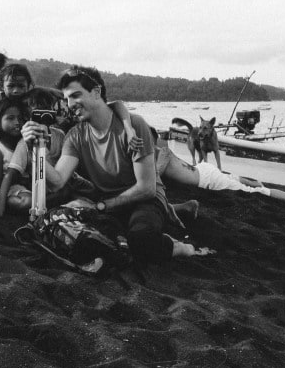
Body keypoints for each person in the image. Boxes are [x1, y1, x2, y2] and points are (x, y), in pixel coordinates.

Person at [21, 66, 212, 262]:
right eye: (66, 98)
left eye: (75, 95)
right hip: (107, 204)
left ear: (96, 92)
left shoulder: (133, 126)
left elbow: (146, 189)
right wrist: (34, 149)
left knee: (141, 241)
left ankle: (184, 247)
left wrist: (103, 206)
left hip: (144, 201)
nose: (69, 104)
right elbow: (57, 181)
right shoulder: (75, 136)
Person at [0, 87, 144, 212]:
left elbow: (73, 159)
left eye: (47, 112)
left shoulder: (60, 135)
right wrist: (0, 206)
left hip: (67, 180)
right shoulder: (25, 143)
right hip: (45, 187)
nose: (43, 118)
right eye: (37, 114)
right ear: (28, 118)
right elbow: (11, 173)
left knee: (94, 192)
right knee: (40, 199)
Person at [152, 129, 285, 215]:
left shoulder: (158, 152)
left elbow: (165, 153)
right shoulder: (150, 153)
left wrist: (153, 176)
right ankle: (253, 181)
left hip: (206, 178)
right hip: (203, 170)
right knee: (240, 181)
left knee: (256, 192)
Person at [0, 97, 32, 217]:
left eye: (20, 118)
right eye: (10, 118)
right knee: (28, 202)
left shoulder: (22, 143)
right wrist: (24, 179)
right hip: (0, 190)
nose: (17, 122)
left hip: (20, 187)